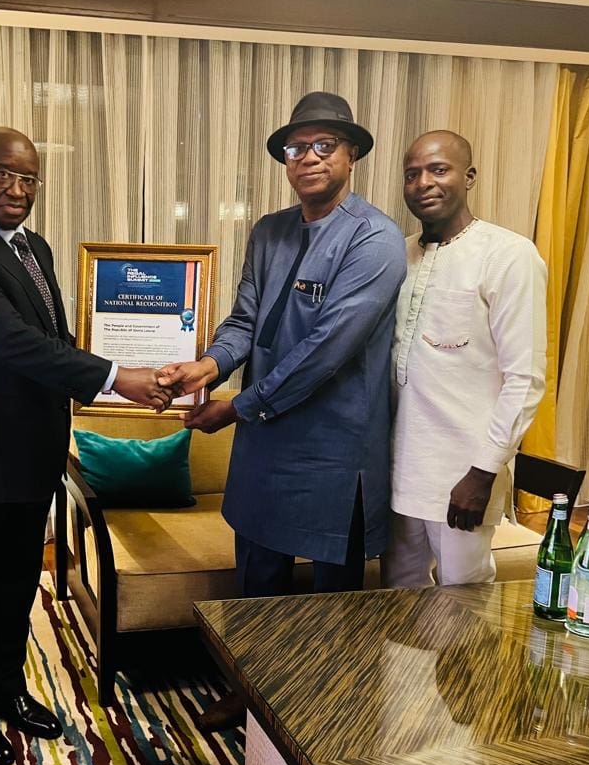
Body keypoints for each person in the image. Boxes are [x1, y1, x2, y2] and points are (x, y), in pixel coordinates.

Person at [0, 126, 172, 765]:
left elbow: (54, 339)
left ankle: (4, 686)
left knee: (15, 582)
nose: (17, 188)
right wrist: (116, 376)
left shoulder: (36, 248)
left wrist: (111, 378)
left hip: (31, 450)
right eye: (3, 173)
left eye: (28, 177)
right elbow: (15, 344)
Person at [159, 92, 406, 730]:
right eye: (297, 147)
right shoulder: (269, 230)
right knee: (257, 581)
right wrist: (208, 366)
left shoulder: (375, 239)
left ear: (352, 155)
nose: (309, 158)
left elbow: (325, 351)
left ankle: (328, 712)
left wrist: (237, 408)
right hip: (265, 445)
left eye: (325, 145)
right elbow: (246, 320)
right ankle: (250, 689)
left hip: (335, 453)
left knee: (334, 604)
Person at [382, 130, 546, 588]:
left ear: (469, 176)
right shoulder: (400, 255)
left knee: (464, 600)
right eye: (412, 174)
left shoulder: (509, 255)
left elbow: (525, 379)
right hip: (398, 470)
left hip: (463, 473)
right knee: (398, 595)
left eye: (439, 170)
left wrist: (483, 471)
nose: (423, 183)